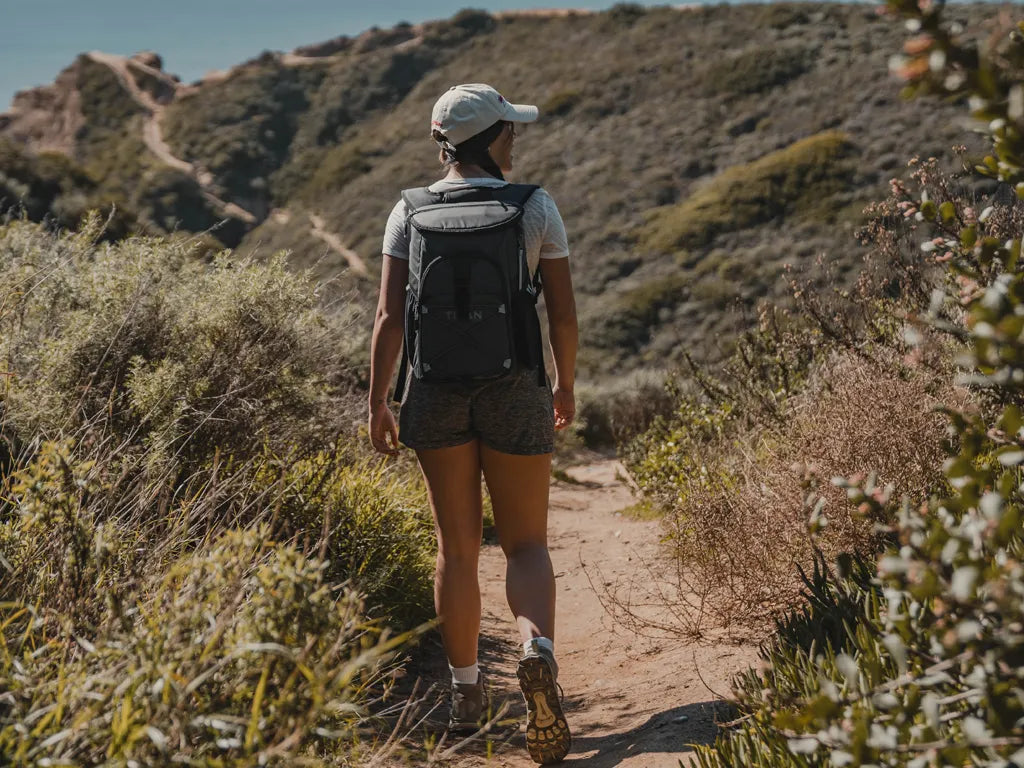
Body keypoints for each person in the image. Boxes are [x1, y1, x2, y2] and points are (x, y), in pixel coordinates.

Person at [367, 83, 578, 765]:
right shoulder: (535, 206)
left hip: (433, 393)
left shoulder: (408, 212)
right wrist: (565, 381)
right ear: (489, 138)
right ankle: (535, 651)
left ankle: (464, 696)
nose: (516, 140)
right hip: (516, 385)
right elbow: (563, 314)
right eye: (509, 130)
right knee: (526, 545)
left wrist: (377, 402)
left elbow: (388, 318)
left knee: (456, 549)